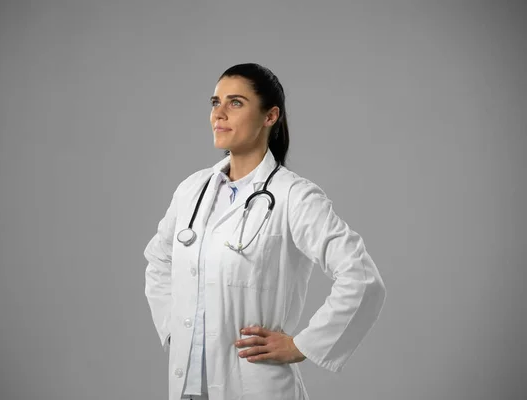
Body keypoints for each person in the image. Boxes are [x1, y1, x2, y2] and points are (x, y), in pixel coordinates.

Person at [144, 63, 386, 400]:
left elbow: (362, 279)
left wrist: (301, 345)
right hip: (189, 386)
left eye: (236, 103)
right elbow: (159, 261)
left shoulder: (294, 196)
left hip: (254, 387)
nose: (219, 114)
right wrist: (175, 328)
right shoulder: (192, 190)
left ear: (270, 116)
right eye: (216, 102)